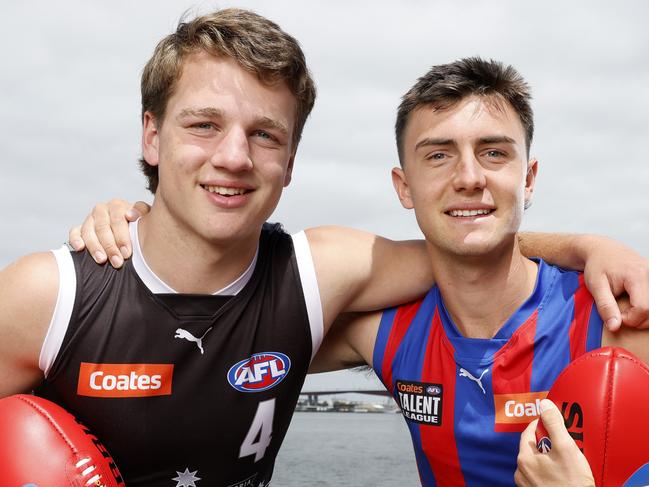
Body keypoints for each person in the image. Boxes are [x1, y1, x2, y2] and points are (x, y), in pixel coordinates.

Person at [2, 8, 647, 486]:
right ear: (152, 135)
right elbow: (465, 240)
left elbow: (471, 241)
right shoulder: (49, 297)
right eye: (203, 125)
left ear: (290, 162)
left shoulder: (316, 279)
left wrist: (588, 246)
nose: (232, 156)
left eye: (264, 135)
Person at [303, 58, 649, 486]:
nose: (468, 177)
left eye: (493, 152)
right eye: (438, 155)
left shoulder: (615, 323)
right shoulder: (386, 335)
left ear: (528, 179)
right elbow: (233, 342)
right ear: (404, 186)